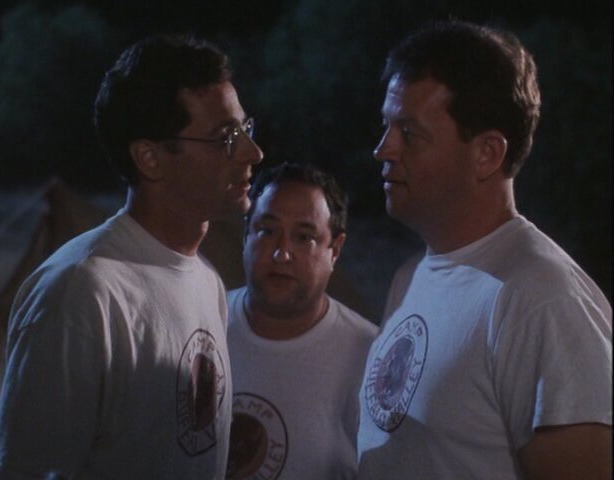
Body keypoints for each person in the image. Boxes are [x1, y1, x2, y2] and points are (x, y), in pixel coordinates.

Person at [0, 33, 263, 479]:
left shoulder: (206, 280)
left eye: (246, 128)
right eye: (226, 137)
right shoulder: (81, 291)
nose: (253, 152)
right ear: (150, 158)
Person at [357, 19, 612, 480]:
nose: (383, 149)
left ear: (488, 154)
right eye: (386, 126)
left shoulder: (543, 300)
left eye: (409, 133)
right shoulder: (411, 276)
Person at [225, 163, 377, 479]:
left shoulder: (370, 358)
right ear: (245, 235)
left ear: (335, 250)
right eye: (267, 232)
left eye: (304, 237)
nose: (281, 254)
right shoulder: (203, 319)